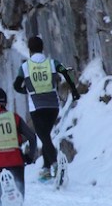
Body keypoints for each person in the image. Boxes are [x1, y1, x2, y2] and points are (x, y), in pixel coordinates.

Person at [13, 35, 80, 182]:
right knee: (46, 137)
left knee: (44, 137)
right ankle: (45, 168)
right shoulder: (51, 63)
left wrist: (27, 91)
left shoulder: (25, 67)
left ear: (30, 50)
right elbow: (65, 73)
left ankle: (56, 165)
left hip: (36, 106)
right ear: (42, 48)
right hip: (52, 105)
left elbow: (16, 86)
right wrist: (74, 91)